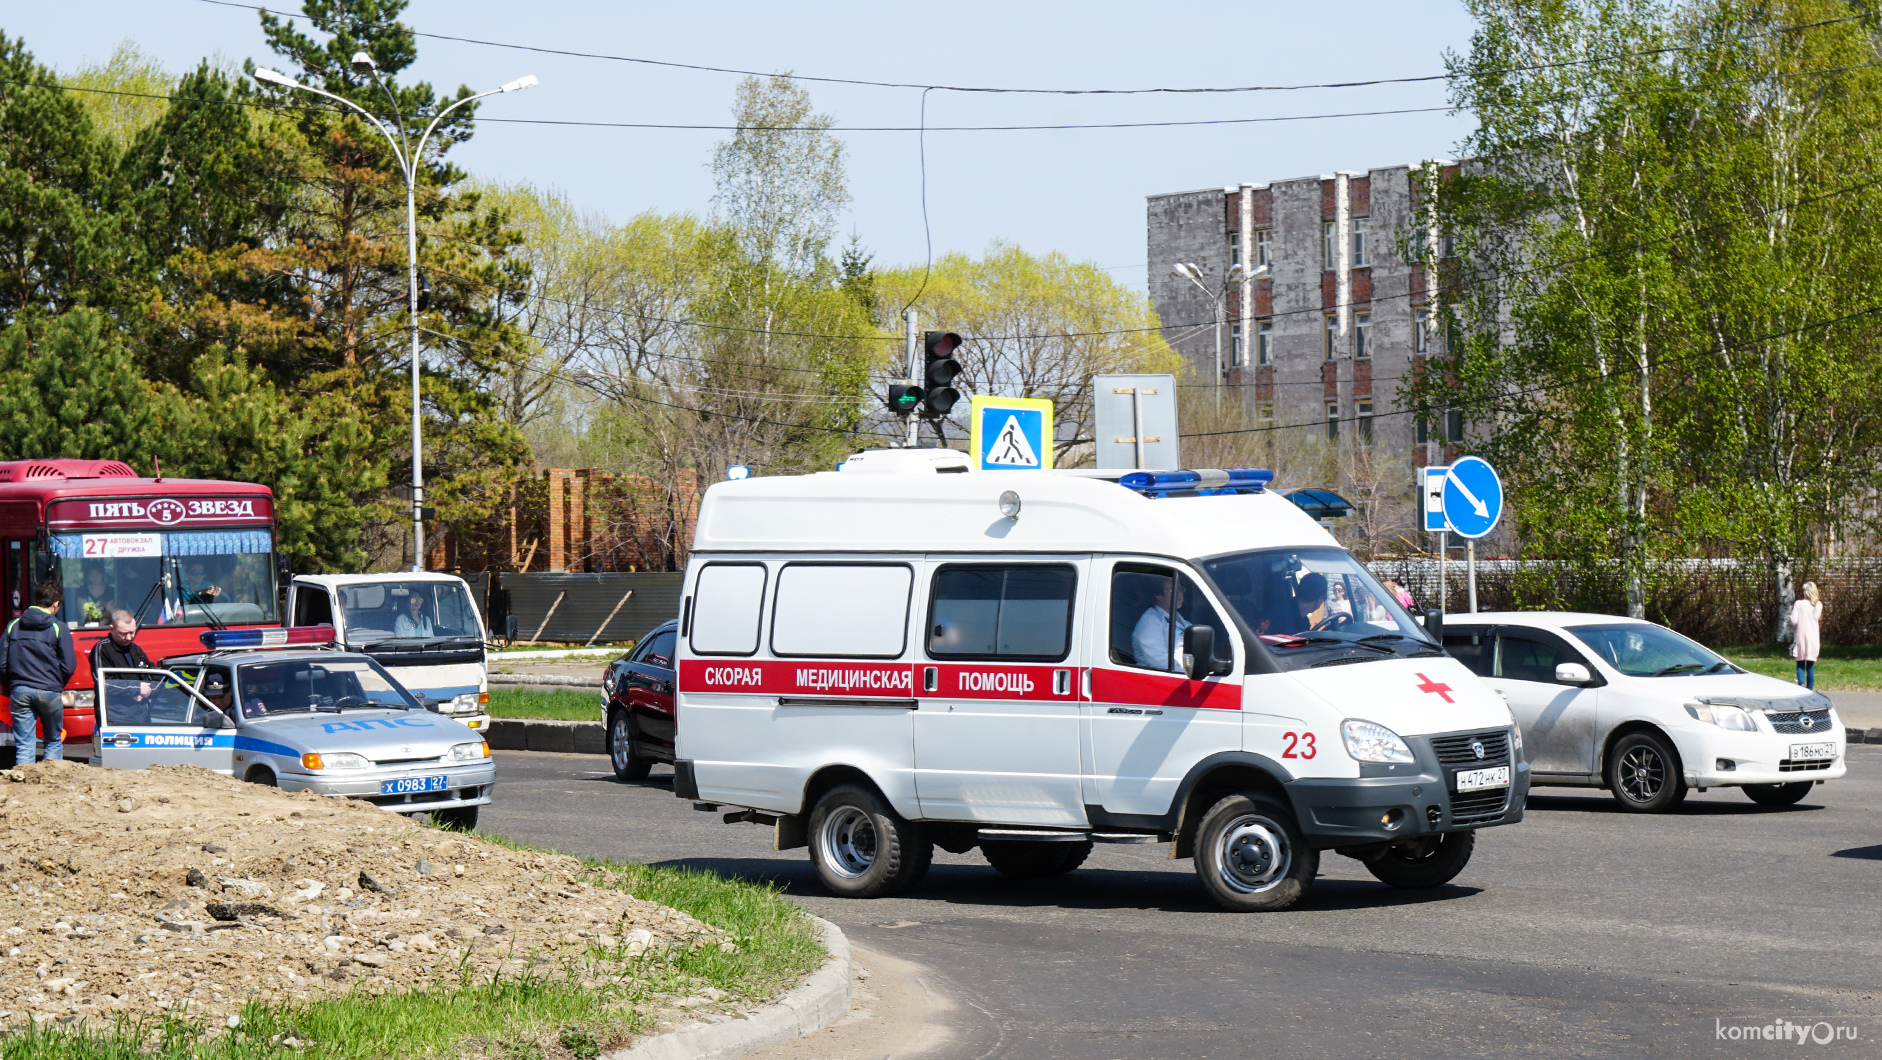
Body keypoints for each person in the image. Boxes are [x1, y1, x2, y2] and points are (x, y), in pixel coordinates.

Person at [0, 582, 76, 765]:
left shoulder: (13, 625)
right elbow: (69, 666)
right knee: (53, 740)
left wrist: (12, 685)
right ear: (56, 604)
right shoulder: (59, 627)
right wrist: (57, 684)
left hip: (20, 690)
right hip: (49, 690)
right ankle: (51, 786)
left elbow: (2, 663)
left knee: (25, 744)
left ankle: (25, 787)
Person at [1132, 577, 1190, 672]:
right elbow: (1158, 661)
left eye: (1181, 589)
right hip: (1165, 679)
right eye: (1173, 589)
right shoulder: (1150, 621)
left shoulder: (1181, 619)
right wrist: (1187, 672)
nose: (1179, 594)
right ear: (1157, 594)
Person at [1790, 582, 1823, 689]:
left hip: (1801, 638)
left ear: (1806, 592)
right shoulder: (1818, 605)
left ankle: (1801, 684)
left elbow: (1794, 620)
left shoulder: (1799, 604)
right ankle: (1810, 688)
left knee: (1800, 663)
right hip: (1813, 639)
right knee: (1810, 665)